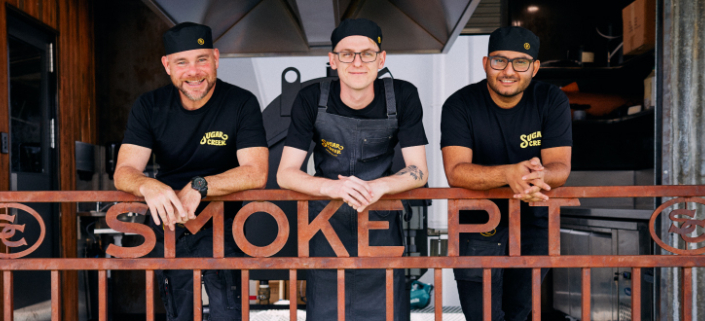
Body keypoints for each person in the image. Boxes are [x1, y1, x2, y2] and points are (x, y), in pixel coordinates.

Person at [114, 22, 268, 321]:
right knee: (178, 311)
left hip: (226, 224)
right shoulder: (149, 106)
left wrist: (200, 185)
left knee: (229, 312)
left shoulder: (241, 102)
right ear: (167, 65)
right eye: (182, 62)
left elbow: (256, 172)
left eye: (202, 59)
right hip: (171, 223)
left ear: (216, 58)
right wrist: (148, 185)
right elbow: (124, 170)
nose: (193, 71)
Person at [277, 18, 429, 321]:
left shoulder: (403, 96)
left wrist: (379, 187)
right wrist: (332, 187)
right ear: (332, 60)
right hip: (325, 227)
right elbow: (285, 173)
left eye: (367, 53)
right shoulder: (311, 99)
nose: (357, 62)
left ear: (381, 59)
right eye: (346, 54)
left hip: (382, 228)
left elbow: (419, 171)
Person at [440, 26, 572, 321]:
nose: (508, 71)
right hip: (475, 226)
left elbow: (560, 168)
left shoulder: (551, 100)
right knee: (481, 315)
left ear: (534, 68)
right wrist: (510, 173)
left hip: (533, 224)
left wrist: (537, 175)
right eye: (500, 61)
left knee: (519, 313)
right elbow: (456, 172)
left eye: (520, 62)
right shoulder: (460, 104)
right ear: (486, 63)